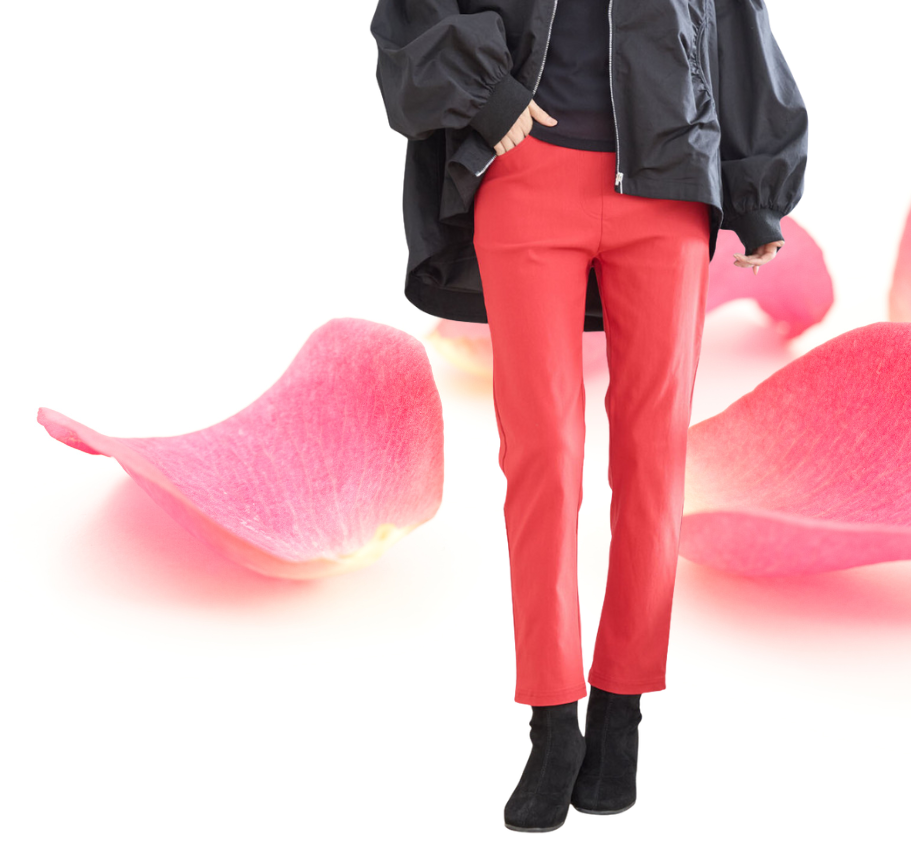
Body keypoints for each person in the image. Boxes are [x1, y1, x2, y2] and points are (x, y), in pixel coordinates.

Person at [370, 0, 807, 832]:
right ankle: (551, 723)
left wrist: (756, 191)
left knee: (653, 458)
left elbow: (734, 23)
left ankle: (620, 711)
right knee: (542, 454)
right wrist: (491, 98)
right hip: (526, 173)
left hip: (670, 184)